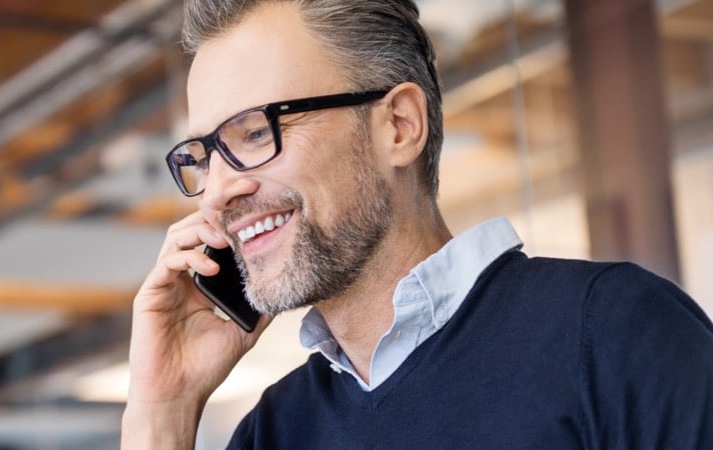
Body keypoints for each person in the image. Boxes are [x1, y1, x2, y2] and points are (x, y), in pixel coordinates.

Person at [121, 0, 713, 448]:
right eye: (203, 156)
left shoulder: (613, 332)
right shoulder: (272, 432)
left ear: (399, 126)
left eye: (255, 133)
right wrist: (161, 410)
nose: (219, 191)